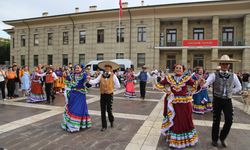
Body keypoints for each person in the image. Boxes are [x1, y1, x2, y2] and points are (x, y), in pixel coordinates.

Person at [201, 55, 242, 147]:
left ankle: (222, 137)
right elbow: (206, 84)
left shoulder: (233, 76)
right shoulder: (214, 75)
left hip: (228, 100)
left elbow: (239, 87)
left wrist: (231, 92)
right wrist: (203, 83)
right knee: (216, 120)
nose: (225, 65)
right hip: (217, 100)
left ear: (229, 65)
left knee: (229, 120)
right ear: (220, 64)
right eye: (223, 63)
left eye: (226, 63)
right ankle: (214, 139)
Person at [156, 64, 198, 149]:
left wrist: (199, 84)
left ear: (183, 70)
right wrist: (166, 91)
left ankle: (184, 140)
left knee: (183, 120)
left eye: (180, 68)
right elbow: (160, 84)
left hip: (184, 103)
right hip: (173, 103)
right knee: (175, 120)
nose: (178, 69)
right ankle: (174, 139)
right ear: (174, 70)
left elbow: (195, 86)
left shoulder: (187, 78)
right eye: (176, 68)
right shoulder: (169, 78)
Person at [88, 61, 121, 131]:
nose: (107, 69)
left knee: (109, 110)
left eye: (108, 68)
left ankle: (111, 121)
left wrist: (111, 87)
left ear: (111, 69)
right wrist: (89, 80)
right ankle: (104, 126)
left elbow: (118, 85)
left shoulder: (113, 76)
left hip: (110, 95)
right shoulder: (101, 75)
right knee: (102, 110)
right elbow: (95, 81)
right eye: (106, 67)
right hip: (102, 94)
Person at [61, 64, 92, 132]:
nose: (76, 69)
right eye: (75, 68)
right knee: (71, 108)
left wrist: (87, 80)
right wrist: (67, 79)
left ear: (81, 68)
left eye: (78, 68)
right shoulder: (71, 75)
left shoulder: (84, 75)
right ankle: (71, 123)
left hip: (80, 94)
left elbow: (87, 83)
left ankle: (75, 126)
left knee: (78, 109)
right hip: (72, 94)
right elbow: (66, 81)